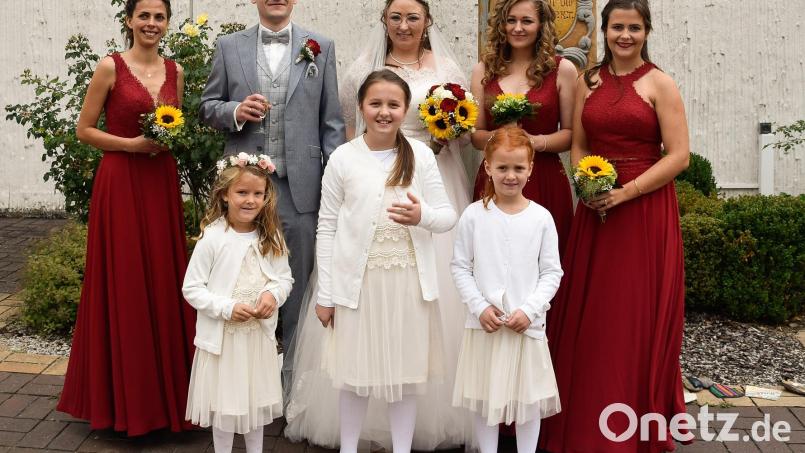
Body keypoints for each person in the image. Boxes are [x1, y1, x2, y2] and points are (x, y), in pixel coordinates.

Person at [539, 0, 690, 451]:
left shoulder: (660, 83)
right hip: (595, 210)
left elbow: (678, 155)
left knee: (634, 314)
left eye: (634, 28)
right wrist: (586, 184)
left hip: (643, 211)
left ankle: (635, 421)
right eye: (617, 27)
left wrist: (625, 193)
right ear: (604, 30)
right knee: (592, 314)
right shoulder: (589, 81)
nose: (625, 36)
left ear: (647, 31)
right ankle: (583, 416)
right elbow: (580, 142)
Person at [287, 70, 456, 453]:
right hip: (357, 286)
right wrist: (326, 294)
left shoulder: (421, 155)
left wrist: (422, 216)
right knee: (354, 374)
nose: (384, 112)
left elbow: (447, 216)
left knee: (405, 374)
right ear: (361, 107)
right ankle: (349, 446)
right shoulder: (345, 158)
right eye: (375, 104)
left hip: (408, 283)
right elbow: (327, 227)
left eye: (393, 105)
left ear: (405, 109)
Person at [336, 1, 473, 446]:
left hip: (429, 172)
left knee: (430, 288)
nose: (404, 25)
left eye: (413, 17)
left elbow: (466, 125)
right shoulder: (364, 68)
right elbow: (349, 127)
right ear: (384, 22)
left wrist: (446, 132)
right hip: (375, 174)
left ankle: (429, 417)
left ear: (427, 21)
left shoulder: (447, 66)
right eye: (395, 17)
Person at [57, 0, 196, 436]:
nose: (151, 23)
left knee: (163, 277)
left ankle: (168, 399)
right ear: (129, 21)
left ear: (168, 23)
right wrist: (130, 145)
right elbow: (84, 129)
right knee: (126, 280)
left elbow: (177, 125)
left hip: (160, 183)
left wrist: (167, 138)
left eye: (159, 17)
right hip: (121, 180)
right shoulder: (109, 67)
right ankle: (125, 404)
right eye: (144, 16)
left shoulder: (177, 72)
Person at [199, 0, 345, 354]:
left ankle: (293, 384)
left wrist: (336, 184)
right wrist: (234, 110)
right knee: (239, 282)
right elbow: (207, 107)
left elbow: (332, 122)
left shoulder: (321, 46)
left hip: (302, 188)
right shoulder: (228, 46)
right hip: (244, 189)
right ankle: (244, 378)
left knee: (297, 284)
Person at [452, 126, 563, 453]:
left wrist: (529, 311)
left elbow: (552, 272)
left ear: (530, 168)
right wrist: (479, 306)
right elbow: (460, 266)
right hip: (485, 326)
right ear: (487, 167)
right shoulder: (473, 215)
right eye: (502, 167)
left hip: (525, 327)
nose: (510, 175)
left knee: (528, 401)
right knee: (485, 400)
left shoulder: (542, 218)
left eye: (518, 168)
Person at [183, 155, 293, 453]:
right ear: (224, 195)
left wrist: (273, 296)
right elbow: (191, 288)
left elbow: (284, 279)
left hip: (256, 338)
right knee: (225, 406)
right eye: (242, 193)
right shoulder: (213, 238)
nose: (250, 200)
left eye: (258, 194)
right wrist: (227, 308)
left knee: (255, 405)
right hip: (224, 340)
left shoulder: (271, 236)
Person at [470, 0, 576, 255]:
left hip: (544, 176)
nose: (518, 28)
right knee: (492, 255)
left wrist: (537, 141)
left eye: (526, 21)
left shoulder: (562, 70)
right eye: (511, 20)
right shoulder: (483, 70)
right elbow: (475, 136)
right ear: (501, 24)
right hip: (495, 177)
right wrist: (501, 137)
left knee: (544, 257)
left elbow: (571, 134)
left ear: (541, 26)